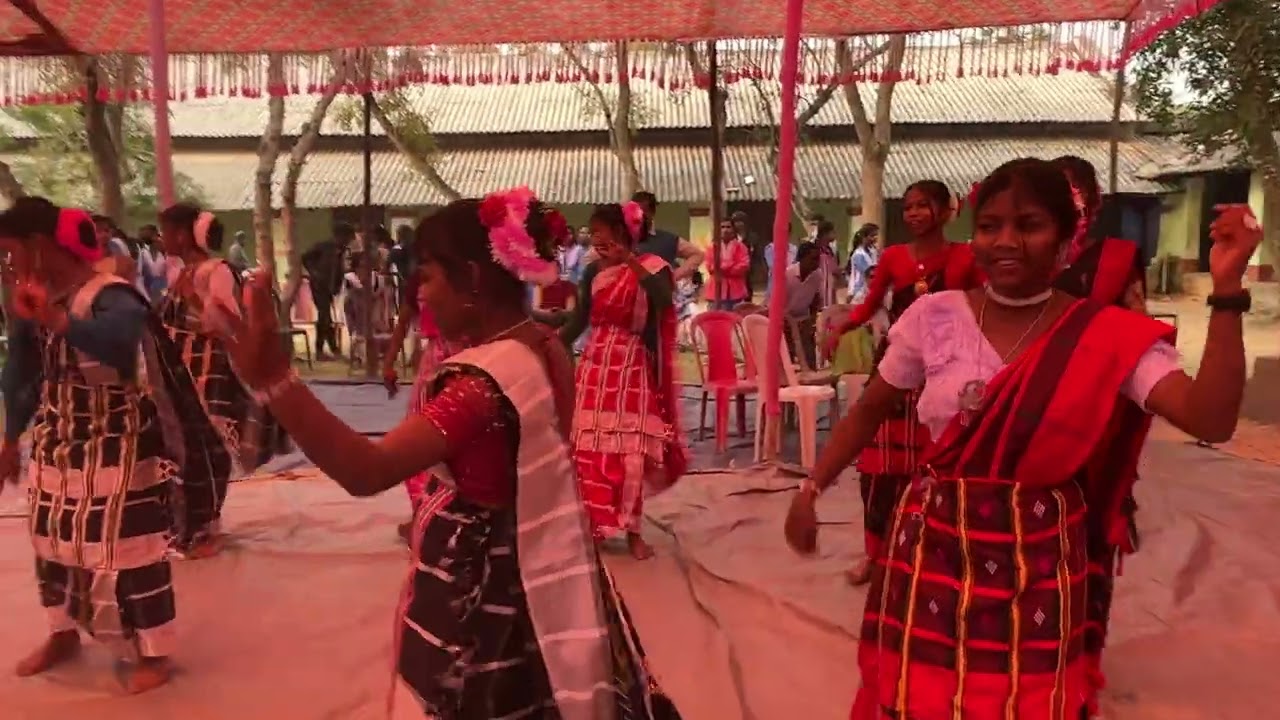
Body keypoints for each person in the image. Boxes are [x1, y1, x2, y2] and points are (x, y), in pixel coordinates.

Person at [784, 158, 1255, 720]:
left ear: (1065, 239)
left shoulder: (1106, 335)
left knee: (1025, 701)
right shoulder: (934, 317)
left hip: (1039, 561)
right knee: (918, 696)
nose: (1005, 241)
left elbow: (1210, 420)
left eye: (1029, 225)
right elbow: (867, 413)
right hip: (931, 549)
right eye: (990, 226)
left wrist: (1228, 290)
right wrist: (811, 488)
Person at [214, 189, 682, 719]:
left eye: (430, 277)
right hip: (541, 559)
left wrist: (275, 381)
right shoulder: (545, 346)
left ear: (473, 279)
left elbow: (366, 470)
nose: (422, 294)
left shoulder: (479, 388)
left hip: (487, 590)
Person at [0, 198, 230, 694]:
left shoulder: (112, 294)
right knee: (51, 539)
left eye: (11, 253)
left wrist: (58, 321)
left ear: (38, 246)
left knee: (130, 549)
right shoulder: (31, 300)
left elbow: (120, 345)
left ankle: (154, 652)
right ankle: (62, 633)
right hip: (58, 437)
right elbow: (19, 371)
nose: (8, 265)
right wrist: (10, 437)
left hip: (120, 437)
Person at [827, 179, 984, 585]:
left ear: (946, 211)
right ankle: (874, 555)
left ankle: (934, 555)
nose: (913, 213)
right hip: (896, 367)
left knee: (941, 464)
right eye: (908, 206)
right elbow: (868, 305)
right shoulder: (894, 257)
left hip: (947, 370)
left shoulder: (965, 257)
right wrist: (841, 327)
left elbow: (985, 309)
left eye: (923, 205)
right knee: (877, 467)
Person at [1050, 155, 1153, 717]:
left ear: (1094, 199)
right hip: (1030, 414)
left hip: (1098, 422)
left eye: (1078, 193)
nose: (1072, 204)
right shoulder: (1024, 257)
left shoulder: (1116, 261)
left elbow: (1139, 331)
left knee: (1091, 537)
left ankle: (1084, 662)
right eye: (1059, 193)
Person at [158, 203, 289, 558]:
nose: (161, 238)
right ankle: (191, 525)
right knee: (184, 450)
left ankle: (205, 527)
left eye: (166, 231)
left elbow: (231, 323)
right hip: (181, 373)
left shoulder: (215, 272)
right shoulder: (181, 273)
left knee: (208, 451)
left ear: (182, 235)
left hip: (208, 373)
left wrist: (195, 306)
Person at [571, 201, 687, 560]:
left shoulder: (652, 267)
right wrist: (548, 340)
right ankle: (596, 528)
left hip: (631, 364)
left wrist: (630, 262)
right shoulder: (592, 272)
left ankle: (633, 532)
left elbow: (663, 300)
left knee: (631, 453)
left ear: (620, 233)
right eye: (592, 231)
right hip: (594, 366)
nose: (594, 238)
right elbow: (579, 320)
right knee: (589, 451)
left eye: (600, 231)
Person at [302, 222, 354, 360]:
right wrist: (314, 273)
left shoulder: (343, 251)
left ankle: (332, 348)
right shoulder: (323, 246)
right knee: (324, 315)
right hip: (319, 285)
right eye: (347, 237)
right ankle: (322, 349)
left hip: (330, 287)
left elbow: (340, 270)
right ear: (339, 236)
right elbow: (305, 258)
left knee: (327, 317)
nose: (348, 241)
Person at [784, 242, 825, 368]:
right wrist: (787, 321)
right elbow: (777, 302)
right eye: (813, 259)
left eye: (818, 259)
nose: (817, 263)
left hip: (803, 319)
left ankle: (811, 373)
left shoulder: (817, 275)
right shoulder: (787, 275)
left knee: (809, 356)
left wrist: (812, 320)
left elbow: (815, 299)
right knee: (786, 359)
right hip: (784, 319)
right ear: (802, 258)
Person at [706, 218, 751, 310]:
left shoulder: (741, 247)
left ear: (734, 230)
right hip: (715, 292)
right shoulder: (711, 247)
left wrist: (722, 267)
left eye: (728, 227)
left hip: (736, 292)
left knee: (736, 318)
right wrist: (730, 264)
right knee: (715, 318)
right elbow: (710, 267)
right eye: (722, 227)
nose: (725, 230)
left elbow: (744, 266)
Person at [814, 219, 844, 307]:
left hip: (829, 288)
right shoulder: (815, 249)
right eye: (832, 232)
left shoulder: (829, 250)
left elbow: (834, 269)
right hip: (820, 288)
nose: (835, 234)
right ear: (825, 233)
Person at [846, 223, 879, 303]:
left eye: (876, 235)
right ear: (864, 237)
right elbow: (868, 272)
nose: (875, 238)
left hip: (869, 290)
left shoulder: (873, 251)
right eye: (872, 235)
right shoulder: (859, 254)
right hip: (859, 291)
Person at [136, 223, 169, 303]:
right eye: (156, 236)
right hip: (148, 289)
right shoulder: (143, 253)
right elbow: (139, 276)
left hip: (163, 288)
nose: (158, 238)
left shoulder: (163, 253)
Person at [763, 233, 798, 300]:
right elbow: (773, 267)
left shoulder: (794, 249)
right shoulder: (771, 248)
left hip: (790, 287)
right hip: (775, 287)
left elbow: (796, 265)